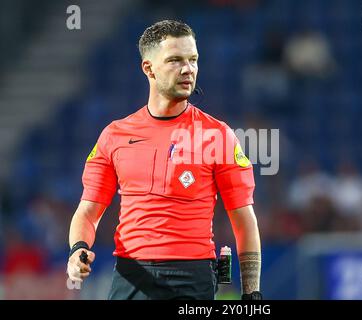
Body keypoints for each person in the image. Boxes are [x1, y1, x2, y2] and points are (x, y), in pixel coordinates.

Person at [66, 20, 262, 300]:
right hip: (131, 276)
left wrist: (252, 293)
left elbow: (244, 220)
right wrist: (77, 250)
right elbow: (88, 211)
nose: (188, 69)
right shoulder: (114, 135)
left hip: (193, 279)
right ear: (149, 68)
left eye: (193, 60)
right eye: (175, 60)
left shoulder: (217, 135)